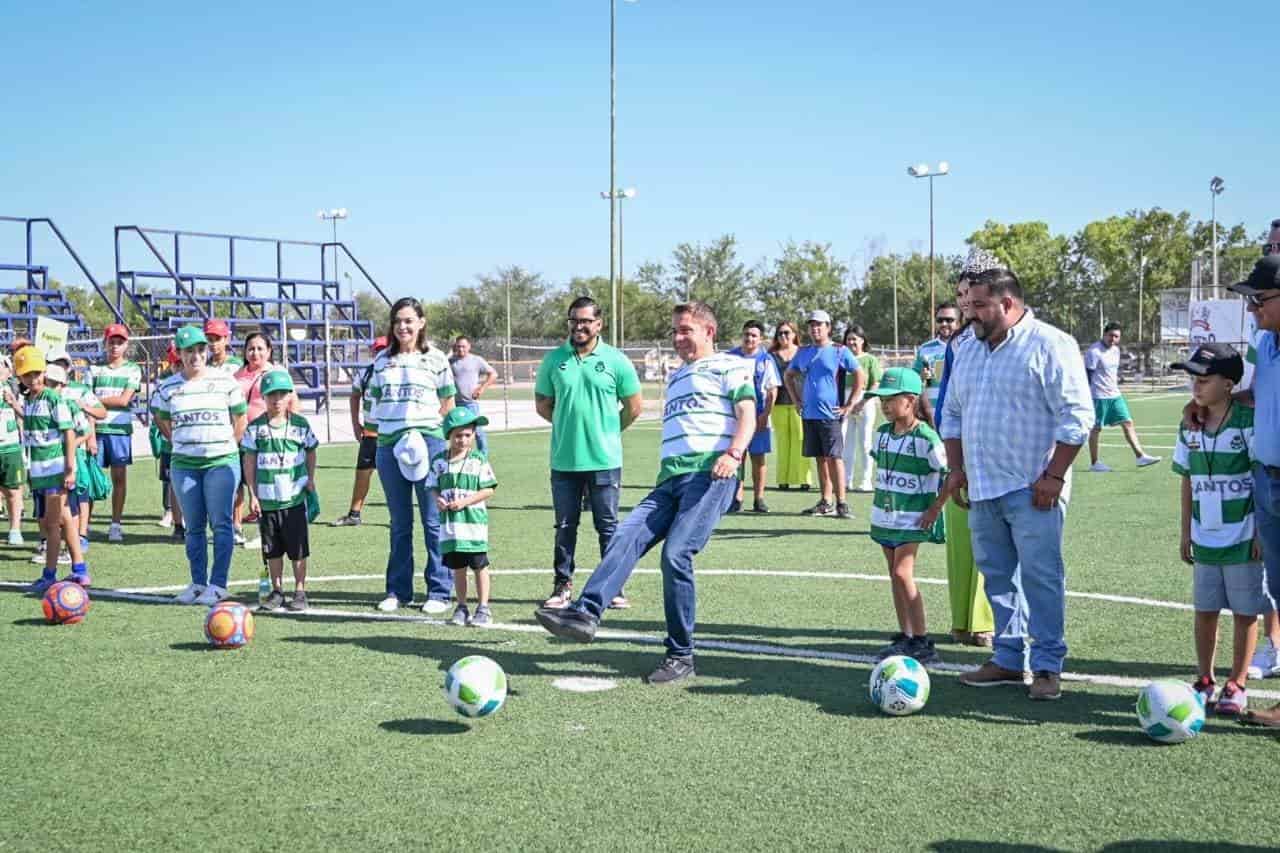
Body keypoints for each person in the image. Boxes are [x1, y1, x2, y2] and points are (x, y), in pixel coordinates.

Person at [534, 302, 755, 685]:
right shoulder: (679, 376)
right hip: (670, 480)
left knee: (676, 554)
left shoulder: (731, 366)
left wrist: (734, 454)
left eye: (686, 330)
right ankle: (585, 614)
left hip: (710, 474)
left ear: (709, 332)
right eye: (674, 331)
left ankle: (681, 655)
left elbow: (748, 413)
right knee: (624, 536)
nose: (678, 338)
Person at [941, 267, 1094, 701]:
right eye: (967, 306)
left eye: (980, 306)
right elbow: (952, 413)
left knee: (1042, 578)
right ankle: (1008, 658)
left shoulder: (1051, 344)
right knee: (997, 578)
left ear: (1007, 303)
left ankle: (1047, 665)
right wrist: (957, 469)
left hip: (1034, 489)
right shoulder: (968, 348)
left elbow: (1078, 418)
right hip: (984, 486)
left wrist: (1054, 476)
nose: (971, 315)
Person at [1169, 344, 1263, 716]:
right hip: (1204, 534)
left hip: (1243, 534)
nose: (1196, 386)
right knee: (1205, 609)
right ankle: (1205, 679)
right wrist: (1185, 531)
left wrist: (1259, 531)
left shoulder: (1246, 422)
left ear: (1229, 384)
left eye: (1204, 380)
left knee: (1245, 612)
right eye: (1193, 379)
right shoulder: (1189, 424)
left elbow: (1260, 477)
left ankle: (1237, 682)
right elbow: (1187, 479)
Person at [534, 296, 643, 610]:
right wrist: (567, 426)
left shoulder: (616, 360)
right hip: (564, 460)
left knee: (607, 526)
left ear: (599, 324)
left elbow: (634, 408)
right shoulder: (554, 360)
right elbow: (543, 403)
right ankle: (562, 586)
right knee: (565, 526)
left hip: (604, 459)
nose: (578, 326)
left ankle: (612, 587)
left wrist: (606, 431)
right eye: (573, 320)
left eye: (585, 321)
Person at [367, 298, 456, 614]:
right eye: (397, 321)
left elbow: (448, 400)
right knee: (399, 522)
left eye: (408, 320)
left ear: (421, 322)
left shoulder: (436, 359)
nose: (402, 327)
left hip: (429, 443)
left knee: (433, 520)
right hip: (390, 447)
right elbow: (372, 404)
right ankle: (398, 590)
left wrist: (439, 436)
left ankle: (440, 591)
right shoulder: (381, 361)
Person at [1221, 255, 1280, 728]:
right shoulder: (1265, 341)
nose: (1252, 309)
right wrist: (1209, 403)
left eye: (1259, 300)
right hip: (1267, 477)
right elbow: (1257, 394)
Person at [151, 325, 249, 606]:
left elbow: (240, 418)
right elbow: (160, 417)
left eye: (200, 349)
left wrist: (228, 445)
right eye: (188, 351)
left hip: (221, 462)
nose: (195, 355)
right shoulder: (168, 386)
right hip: (184, 465)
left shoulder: (226, 381)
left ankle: (218, 584)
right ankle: (197, 583)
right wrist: (179, 441)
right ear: (179, 354)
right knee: (194, 526)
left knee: (221, 524)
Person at [866, 368, 948, 665]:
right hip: (884, 515)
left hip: (913, 518)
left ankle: (923, 641)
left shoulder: (926, 437)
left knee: (903, 573)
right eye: (881, 399)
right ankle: (906, 635)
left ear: (910, 400)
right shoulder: (882, 435)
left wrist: (935, 508)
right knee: (894, 576)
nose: (884, 405)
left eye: (890, 399)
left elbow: (950, 474)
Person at [936, 251, 997, 648]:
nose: (963, 303)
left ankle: (986, 622)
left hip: (1002, 459)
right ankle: (961, 620)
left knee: (993, 548)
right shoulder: (958, 345)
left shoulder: (1026, 337)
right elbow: (946, 405)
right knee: (960, 542)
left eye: (971, 294)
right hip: (961, 456)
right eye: (960, 294)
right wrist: (952, 456)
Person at [241, 370, 318, 612]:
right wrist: (253, 495)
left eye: (282, 394)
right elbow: (250, 462)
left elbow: (311, 450)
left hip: (294, 499)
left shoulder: (300, 425)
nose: (277, 399)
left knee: (298, 549)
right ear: (263, 397)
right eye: (271, 394)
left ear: (289, 397)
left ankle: (300, 590)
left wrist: (310, 479)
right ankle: (276, 590)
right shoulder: (255, 428)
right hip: (267, 501)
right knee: (272, 549)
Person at [18, 347, 90, 594]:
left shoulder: (53, 398)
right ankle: (80, 569)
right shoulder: (29, 400)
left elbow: (69, 433)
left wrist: (70, 468)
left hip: (55, 469)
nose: (34, 379)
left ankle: (50, 574)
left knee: (51, 523)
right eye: (27, 375)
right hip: (40, 471)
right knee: (64, 518)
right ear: (20, 377)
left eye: (37, 373)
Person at [784, 309, 863, 519]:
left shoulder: (839, 350)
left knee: (834, 457)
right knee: (820, 458)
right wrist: (796, 400)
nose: (815, 328)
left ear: (828, 327)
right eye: (812, 325)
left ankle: (842, 502)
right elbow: (789, 375)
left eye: (819, 324)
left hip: (831, 414)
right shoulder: (804, 352)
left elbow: (859, 374)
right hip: (810, 414)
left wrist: (849, 404)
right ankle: (825, 501)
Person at [426, 407, 498, 628]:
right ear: (449, 435)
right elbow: (432, 486)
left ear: (474, 435)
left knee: (479, 566)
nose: (463, 440)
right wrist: (438, 498)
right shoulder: (439, 461)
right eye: (458, 435)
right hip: (451, 528)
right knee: (458, 568)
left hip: (473, 526)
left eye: (468, 435)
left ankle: (484, 607)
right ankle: (462, 606)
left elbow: (488, 490)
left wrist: (464, 502)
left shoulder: (478, 460)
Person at [89, 322, 141, 543]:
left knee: (119, 478)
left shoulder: (133, 369)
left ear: (126, 344)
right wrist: (90, 433)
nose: (115, 346)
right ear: (105, 343)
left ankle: (115, 525)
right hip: (97, 431)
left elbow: (123, 400)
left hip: (119, 431)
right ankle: (84, 525)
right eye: (112, 341)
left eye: (120, 342)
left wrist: (94, 400)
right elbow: (86, 405)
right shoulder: (93, 369)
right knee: (91, 478)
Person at [1085, 322, 1161, 471]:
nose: (1113, 339)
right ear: (1104, 334)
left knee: (1127, 422)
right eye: (1110, 335)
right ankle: (1094, 463)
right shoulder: (1094, 351)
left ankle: (1140, 456)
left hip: (1115, 395)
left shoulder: (1116, 351)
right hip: (1098, 396)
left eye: (1116, 336)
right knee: (1096, 429)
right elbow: (1088, 375)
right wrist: (1087, 396)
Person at [333, 336, 388, 527]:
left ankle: (403, 516)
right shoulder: (366, 372)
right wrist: (355, 424)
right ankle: (354, 514)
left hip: (393, 434)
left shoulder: (397, 370)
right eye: (378, 349)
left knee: (401, 477)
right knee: (362, 473)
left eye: (385, 348)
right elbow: (354, 395)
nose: (381, 352)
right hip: (371, 433)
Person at [728, 320, 779, 513]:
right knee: (736, 456)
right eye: (747, 334)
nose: (749, 338)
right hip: (735, 416)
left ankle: (759, 498)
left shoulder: (766, 360)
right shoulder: (730, 358)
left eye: (754, 335)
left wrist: (765, 415)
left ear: (761, 339)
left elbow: (772, 390)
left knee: (758, 457)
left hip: (758, 416)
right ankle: (736, 497)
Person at [768, 321, 810, 491]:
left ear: (794, 334)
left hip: (799, 403)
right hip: (778, 404)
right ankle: (783, 479)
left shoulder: (803, 353)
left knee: (801, 440)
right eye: (780, 333)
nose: (783, 336)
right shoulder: (771, 356)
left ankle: (803, 479)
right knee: (782, 442)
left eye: (787, 332)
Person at [150, 344, 185, 540]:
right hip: (171, 444)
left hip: (192, 445)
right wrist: (170, 436)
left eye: (181, 364)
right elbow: (156, 413)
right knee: (172, 482)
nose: (179, 368)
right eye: (176, 364)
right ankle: (174, 518)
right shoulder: (165, 385)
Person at [842, 325, 882, 494]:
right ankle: (845, 480)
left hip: (864, 401)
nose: (851, 342)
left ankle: (866, 481)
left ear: (862, 341)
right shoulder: (842, 358)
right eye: (849, 339)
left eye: (855, 339)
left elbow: (876, 382)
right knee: (845, 443)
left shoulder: (869, 360)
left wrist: (862, 402)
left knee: (865, 442)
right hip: (845, 401)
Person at [449, 335, 497, 455]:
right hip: (454, 403)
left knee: (477, 431)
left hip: (470, 403)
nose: (461, 349)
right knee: (455, 431)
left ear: (469, 347)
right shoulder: (450, 361)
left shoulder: (476, 360)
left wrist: (481, 388)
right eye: (458, 346)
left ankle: (483, 456)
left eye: (464, 346)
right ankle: (457, 455)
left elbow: (493, 374)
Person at [913, 302, 959, 406]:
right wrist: (921, 377)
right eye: (940, 320)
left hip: (960, 414)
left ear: (958, 322)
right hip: (932, 414)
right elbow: (913, 379)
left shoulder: (967, 347)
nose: (944, 324)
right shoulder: (924, 349)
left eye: (949, 320)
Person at [0, 355, 23, 545]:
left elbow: (24, 417)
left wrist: (14, 403)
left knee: (13, 491)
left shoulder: (15, 392)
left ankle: (15, 529)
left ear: (9, 372)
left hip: (10, 448)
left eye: (1, 365)